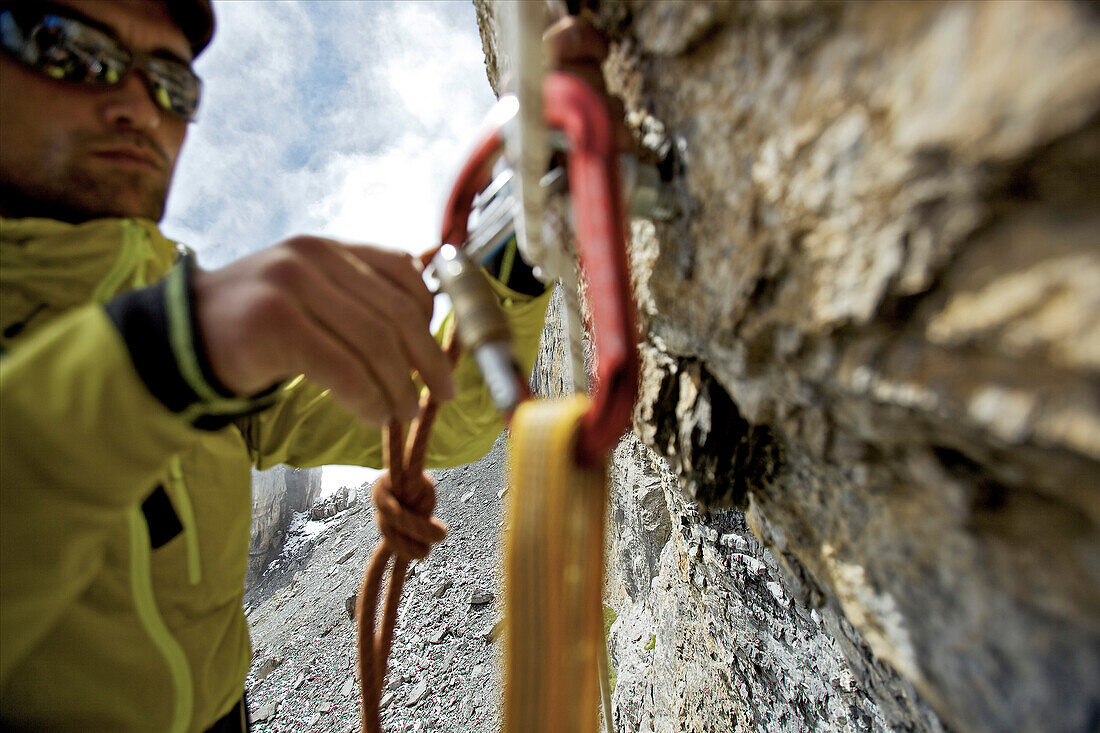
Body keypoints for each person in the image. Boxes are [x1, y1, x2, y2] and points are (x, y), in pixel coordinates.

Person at [0, 1, 563, 730]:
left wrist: (513, 261)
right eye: (73, 50)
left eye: (173, 82)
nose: (139, 103)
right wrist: (167, 354)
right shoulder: (197, 335)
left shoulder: (202, 330)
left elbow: (444, 413)